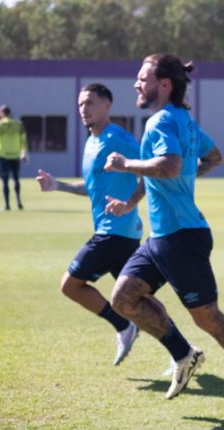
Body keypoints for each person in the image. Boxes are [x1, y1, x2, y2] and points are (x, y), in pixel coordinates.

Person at [103, 53, 224, 421]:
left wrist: (126, 164)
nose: (136, 84)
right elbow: (213, 157)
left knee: (208, 318)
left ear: (163, 84)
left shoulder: (160, 121)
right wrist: (130, 202)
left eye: (142, 78)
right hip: (161, 238)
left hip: (181, 238)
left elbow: (168, 165)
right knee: (123, 297)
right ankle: (184, 355)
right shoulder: (184, 120)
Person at [35, 83, 143, 366]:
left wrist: (130, 203)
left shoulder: (118, 137)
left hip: (116, 231)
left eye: (90, 103)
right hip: (116, 231)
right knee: (138, 301)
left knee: (70, 285)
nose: (84, 109)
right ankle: (182, 350)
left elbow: (151, 170)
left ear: (107, 105)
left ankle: (123, 325)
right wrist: (57, 185)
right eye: (81, 104)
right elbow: (93, 188)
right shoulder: (91, 142)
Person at [0, 105, 28, 211]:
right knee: (16, 179)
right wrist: (24, 152)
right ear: (10, 113)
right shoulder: (18, 124)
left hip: (4, 156)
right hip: (15, 155)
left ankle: (7, 205)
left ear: (1, 113)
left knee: (5, 181)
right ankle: (19, 202)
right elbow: (24, 139)